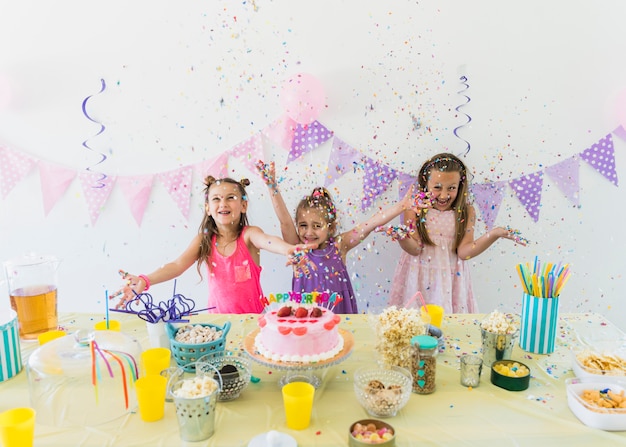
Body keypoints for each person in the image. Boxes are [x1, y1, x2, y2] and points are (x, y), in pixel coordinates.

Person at [113, 176, 316, 314]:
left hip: (253, 321)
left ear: (243, 205)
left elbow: (269, 241)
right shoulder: (205, 240)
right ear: (208, 208)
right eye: (216, 199)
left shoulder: (249, 235)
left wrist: (289, 249)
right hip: (216, 322)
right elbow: (176, 266)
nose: (223, 204)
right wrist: (145, 280)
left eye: (231, 198)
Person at [256, 160, 419, 314]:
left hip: (338, 313)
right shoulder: (296, 248)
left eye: (317, 226)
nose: (309, 232)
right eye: (303, 225)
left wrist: (401, 207)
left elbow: (369, 224)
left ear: (330, 227)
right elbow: (284, 221)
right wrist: (272, 187)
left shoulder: (340, 245)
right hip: (305, 315)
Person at [388, 152, 526, 314]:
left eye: (451, 188)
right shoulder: (415, 208)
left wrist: (495, 234)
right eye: (437, 187)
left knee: (448, 327)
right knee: (414, 324)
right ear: (426, 183)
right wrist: (401, 237)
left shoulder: (467, 212)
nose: (444, 195)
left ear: (460, 187)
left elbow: (464, 252)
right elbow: (415, 249)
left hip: (450, 280)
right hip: (418, 275)